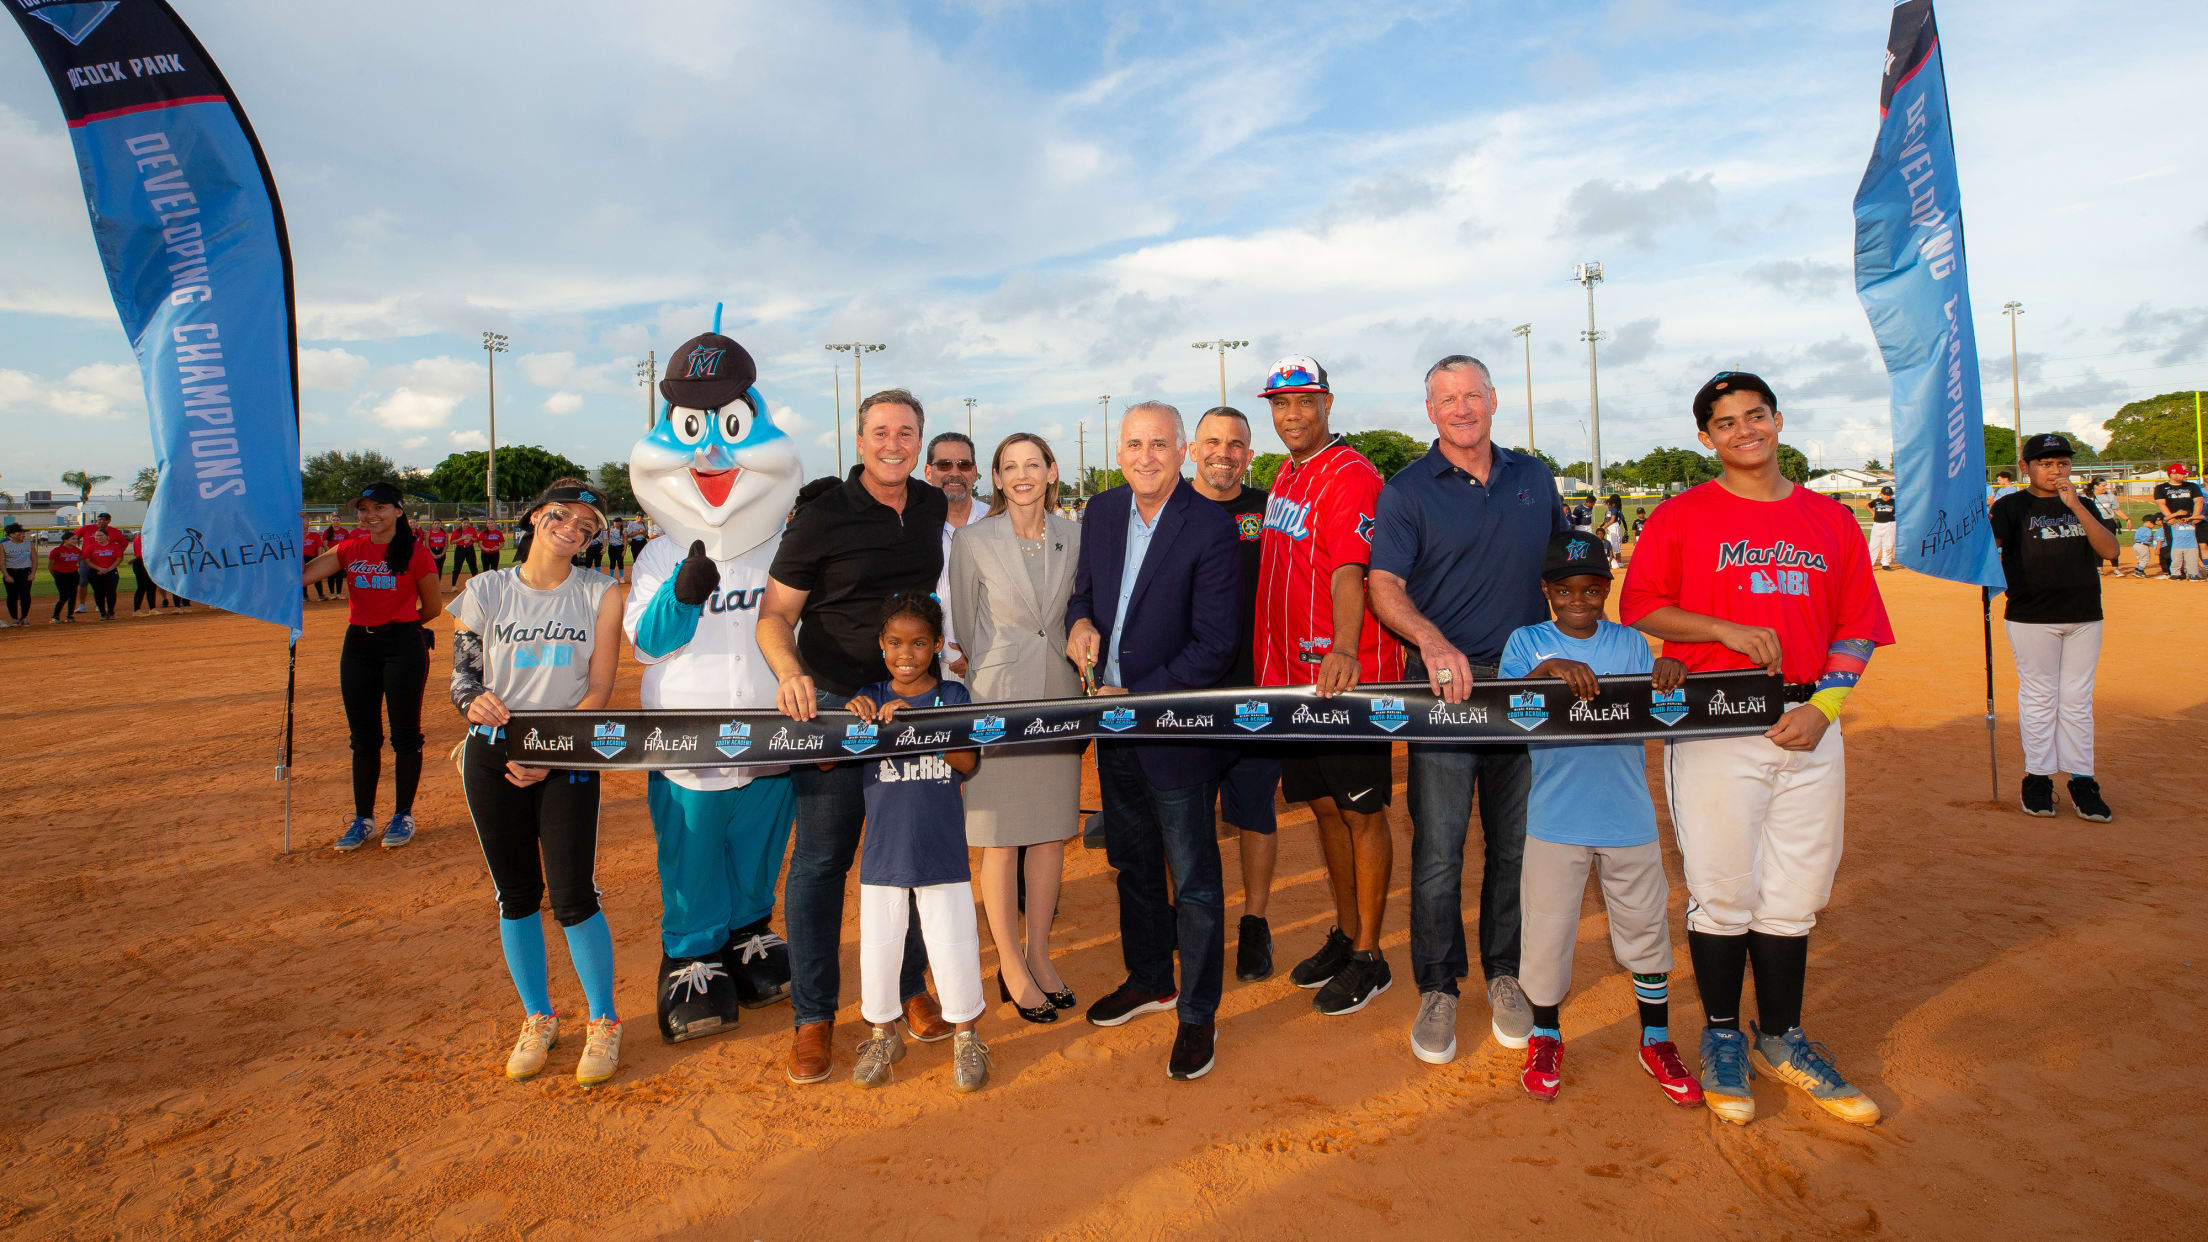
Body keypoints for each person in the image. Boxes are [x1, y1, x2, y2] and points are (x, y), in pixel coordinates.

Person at [1621, 371, 1894, 1128]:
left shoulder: (1829, 520)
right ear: (1706, 438)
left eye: (1756, 415)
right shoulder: (1681, 516)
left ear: (1777, 420)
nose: (1745, 429)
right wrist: (1718, 628)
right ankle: (1720, 1038)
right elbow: (1641, 606)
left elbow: (1858, 625)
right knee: (1722, 890)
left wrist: (1827, 707)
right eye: (1726, 421)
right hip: (1716, 723)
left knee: (1795, 894)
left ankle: (1780, 1036)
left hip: (1808, 720)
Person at [1368, 354, 1566, 1066]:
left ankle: (1506, 974)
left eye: (1472, 396)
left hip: (1523, 693)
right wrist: (1431, 641)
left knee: (1517, 848)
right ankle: (1438, 985)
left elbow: (1568, 569)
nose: (1461, 408)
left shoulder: (1533, 477)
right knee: (1440, 851)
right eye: (1446, 398)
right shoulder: (1407, 490)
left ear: (1492, 401)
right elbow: (1383, 585)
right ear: (1430, 410)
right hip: (1445, 692)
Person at [760, 388, 957, 1085]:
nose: (893, 443)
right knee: (821, 865)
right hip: (838, 713)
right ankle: (814, 1017)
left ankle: (909, 989)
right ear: (860, 437)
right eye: (881, 431)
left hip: (905, 710)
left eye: (906, 432)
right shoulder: (822, 516)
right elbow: (774, 615)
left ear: (919, 439)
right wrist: (789, 673)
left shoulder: (931, 504)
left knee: (902, 859)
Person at [1066, 400, 1240, 1080]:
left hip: (1172, 730)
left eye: (1159, 444)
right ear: (1119, 449)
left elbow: (1215, 646)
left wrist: (1135, 699)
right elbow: (1084, 597)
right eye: (1134, 443)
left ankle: (1197, 1015)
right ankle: (1150, 979)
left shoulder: (1212, 527)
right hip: (1113, 728)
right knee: (1132, 862)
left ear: (1184, 452)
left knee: (1193, 880)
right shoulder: (1104, 513)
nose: (1146, 455)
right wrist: (1079, 625)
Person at [1500, 531, 1701, 1106]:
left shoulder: (1632, 644)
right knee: (1547, 929)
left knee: (1644, 929)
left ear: (1606, 590)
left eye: (1592, 588)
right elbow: (1508, 705)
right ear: (1547, 592)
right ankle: (1545, 1032)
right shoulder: (1527, 641)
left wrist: (1668, 673)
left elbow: (1655, 705)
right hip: (1555, 818)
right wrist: (1548, 669)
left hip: (1626, 815)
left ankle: (1656, 1037)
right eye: (1566, 590)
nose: (1579, 600)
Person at [449, 481, 626, 1086]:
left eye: (587, 523)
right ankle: (538, 1017)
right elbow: (462, 681)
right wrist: (474, 702)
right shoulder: (486, 589)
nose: (573, 528)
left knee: (574, 892)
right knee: (516, 893)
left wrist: (552, 750)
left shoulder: (601, 591)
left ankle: (602, 1022)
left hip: (567, 751)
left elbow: (599, 689)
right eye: (562, 515)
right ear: (534, 517)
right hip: (493, 754)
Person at [1253, 356, 1406, 1016]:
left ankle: (1371, 954)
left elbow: (1352, 570)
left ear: (1328, 404)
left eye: (1305, 403)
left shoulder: (1351, 474)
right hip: (1294, 679)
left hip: (1344, 677)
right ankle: (1347, 934)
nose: (1292, 415)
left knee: (1362, 813)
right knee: (1323, 808)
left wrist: (1344, 646)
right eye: (1281, 404)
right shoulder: (1286, 472)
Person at [948, 433, 1083, 1023]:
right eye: (1010, 467)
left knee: (1051, 834)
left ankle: (1040, 956)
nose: (1023, 475)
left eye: (1034, 464)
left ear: (1052, 472)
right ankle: (1009, 965)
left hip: (1059, 698)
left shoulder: (1075, 535)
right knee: (1000, 840)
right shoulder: (973, 540)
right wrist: (995, 672)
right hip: (996, 701)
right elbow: (967, 628)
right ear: (996, 479)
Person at [843, 593, 992, 1091]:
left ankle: (967, 1035)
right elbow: (826, 756)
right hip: (884, 851)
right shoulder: (867, 695)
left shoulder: (952, 698)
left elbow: (968, 763)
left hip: (941, 848)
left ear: (935, 646)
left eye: (919, 643)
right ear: (881, 645)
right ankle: (884, 1034)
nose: (906, 654)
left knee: (953, 943)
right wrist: (852, 718)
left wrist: (917, 725)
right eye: (895, 643)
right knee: (880, 947)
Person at [1185, 405, 1282, 982]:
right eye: (1213, 441)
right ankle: (1193, 920)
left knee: (1255, 811)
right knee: (1185, 814)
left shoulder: (1269, 510)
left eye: (1236, 443)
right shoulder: (1171, 507)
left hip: (1256, 688)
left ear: (1250, 452)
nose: (1224, 452)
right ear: (1194, 449)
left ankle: (1255, 923)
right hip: (1189, 692)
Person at [301, 483, 444, 850]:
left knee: (405, 735)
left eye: (378, 507)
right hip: (358, 646)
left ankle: (402, 814)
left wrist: (402, 626)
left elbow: (431, 608)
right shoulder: (350, 548)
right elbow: (302, 577)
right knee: (363, 738)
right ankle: (363, 818)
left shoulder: (415, 553)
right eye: (363, 509)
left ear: (398, 510)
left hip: (402, 645)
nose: (370, 516)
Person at [1990, 434, 2118, 821]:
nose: (2055, 470)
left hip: (2083, 615)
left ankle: (2082, 780)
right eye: (2045, 464)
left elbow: (2109, 551)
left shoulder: (2086, 503)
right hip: (2032, 616)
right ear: (2027, 467)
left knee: (2078, 700)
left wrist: (2075, 505)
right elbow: (1988, 551)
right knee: (2039, 696)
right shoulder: (2011, 506)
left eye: (2062, 463)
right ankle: (2039, 778)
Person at [927, 432, 989, 684]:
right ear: (928, 472)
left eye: (963, 465)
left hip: (991, 664)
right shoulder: (914, 527)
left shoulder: (996, 522)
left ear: (974, 473)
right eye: (944, 465)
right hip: (930, 669)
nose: (955, 472)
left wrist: (976, 651)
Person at [2154, 462, 2205, 579]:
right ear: (2173, 475)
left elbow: (2199, 501)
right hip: (2173, 522)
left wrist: (2195, 517)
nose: (2185, 476)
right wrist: (2171, 517)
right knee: (2175, 546)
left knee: (2194, 546)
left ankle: (2194, 571)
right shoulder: (2161, 488)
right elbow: (2161, 504)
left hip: (2191, 520)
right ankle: (2178, 572)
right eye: (2182, 474)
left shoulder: (2192, 486)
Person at [81, 522, 125, 620]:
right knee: (98, 593)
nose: (98, 537)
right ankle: (102, 612)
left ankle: (111, 611)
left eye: (101, 535)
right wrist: (99, 568)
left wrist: (109, 569)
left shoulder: (114, 546)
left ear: (106, 536)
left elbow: (119, 558)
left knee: (111, 592)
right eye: (96, 536)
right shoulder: (91, 547)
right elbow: (87, 560)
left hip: (111, 572)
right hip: (96, 573)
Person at [2081, 481, 2122, 576]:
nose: (2105, 487)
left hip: (2109, 522)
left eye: (2105, 486)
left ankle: (2115, 568)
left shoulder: (2110, 496)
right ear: (2095, 486)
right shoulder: (2087, 497)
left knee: (2112, 543)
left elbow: (2117, 509)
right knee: (2097, 545)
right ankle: (2099, 568)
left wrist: (2127, 519)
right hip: (2094, 522)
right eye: (2103, 486)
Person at [48, 532, 82, 623]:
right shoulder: (56, 550)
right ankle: (55, 616)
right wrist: (56, 576)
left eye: (76, 539)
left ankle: (70, 615)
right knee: (63, 596)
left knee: (73, 595)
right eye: (73, 539)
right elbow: (51, 566)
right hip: (60, 574)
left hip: (73, 574)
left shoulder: (77, 550)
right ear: (65, 540)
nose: (75, 541)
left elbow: (78, 561)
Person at [2, 524, 32, 626]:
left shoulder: (28, 544)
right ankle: (14, 618)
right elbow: (1, 561)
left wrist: (32, 573)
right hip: (11, 572)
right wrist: (6, 575)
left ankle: (24, 617)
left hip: (25, 572)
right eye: (19, 532)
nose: (22, 534)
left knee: (25, 595)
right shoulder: (4, 545)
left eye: (23, 532)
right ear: (11, 534)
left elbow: (35, 559)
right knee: (12, 596)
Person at [1866, 486, 1898, 570]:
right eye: (1885, 494)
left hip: (1890, 525)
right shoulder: (1877, 501)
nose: (1887, 496)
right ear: (1881, 494)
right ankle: (1869, 563)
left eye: (1889, 495)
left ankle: (1885, 563)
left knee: (1888, 545)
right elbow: (1868, 506)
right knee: (1873, 545)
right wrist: (1873, 513)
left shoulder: (1894, 502)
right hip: (1877, 525)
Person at [2170, 508, 2203, 581]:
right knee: (2176, 561)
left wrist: (2190, 518)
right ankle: (2175, 574)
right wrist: (2176, 514)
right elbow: (2167, 518)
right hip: (2177, 546)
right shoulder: (2174, 524)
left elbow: (2202, 517)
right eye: (2180, 518)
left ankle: (2193, 574)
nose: (2182, 519)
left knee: (2192, 561)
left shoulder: (2192, 523)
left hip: (2192, 546)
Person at [300, 523, 326, 603]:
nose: (305, 528)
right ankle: (305, 596)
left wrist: (319, 558)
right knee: (303, 576)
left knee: (316, 576)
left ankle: (321, 595)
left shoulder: (314, 535)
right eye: (303, 527)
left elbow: (319, 546)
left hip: (313, 557)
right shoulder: (297, 536)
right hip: (302, 558)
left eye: (306, 527)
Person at [2132, 513, 2164, 578]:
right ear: (2149, 522)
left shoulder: (2139, 528)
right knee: (2145, 559)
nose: (2153, 525)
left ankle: (2138, 570)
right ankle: (2139, 571)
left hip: (2136, 545)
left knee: (2141, 559)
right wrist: (2154, 538)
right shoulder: (2147, 530)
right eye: (2153, 524)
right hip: (2143, 546)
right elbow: (2149, 539)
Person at [448, 520, 478, 584]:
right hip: (460, 549)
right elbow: (452, 542)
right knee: (457, 568)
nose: (466, 524)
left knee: (473, 567)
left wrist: (470, 538)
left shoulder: (472, 529)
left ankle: (476, 584)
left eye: (468, 523)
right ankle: (453, 585)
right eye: (464, 523)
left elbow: (476, 540)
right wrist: (462, 538)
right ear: (461, 523)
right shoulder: (457, 530)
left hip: (470, 548)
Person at [604, 515, 628, 584]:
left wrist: (624, 550)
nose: (616, 523)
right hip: (612, 548)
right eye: (615, 521)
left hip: (619, 548)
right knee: (612, 562)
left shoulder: (623, 531)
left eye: (618, 521)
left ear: (621, 523)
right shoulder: (611, 529)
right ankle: (611, 577)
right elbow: (607, 536)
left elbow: (625, 541)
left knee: (620, 562)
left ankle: (621, 577)